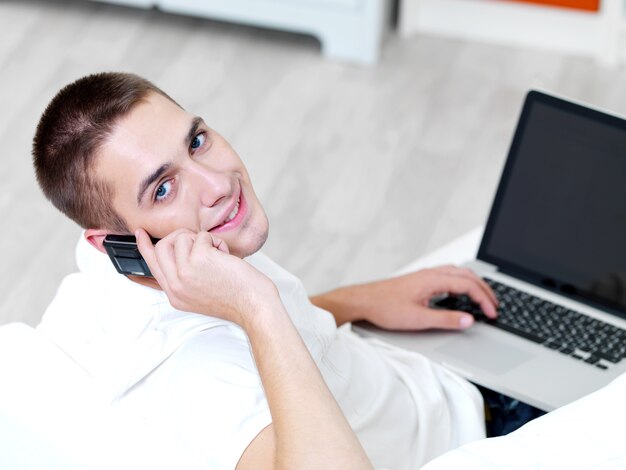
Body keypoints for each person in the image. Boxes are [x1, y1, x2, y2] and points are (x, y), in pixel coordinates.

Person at [32, 72, 500, 469]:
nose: (217, 185)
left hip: (426, 384)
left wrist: (354, 302)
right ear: (108, 241)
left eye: (197, 142)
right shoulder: (200, 375)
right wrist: (255, 305)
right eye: (163, 190)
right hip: (475, 443)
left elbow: (271, 346)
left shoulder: (144, 264)